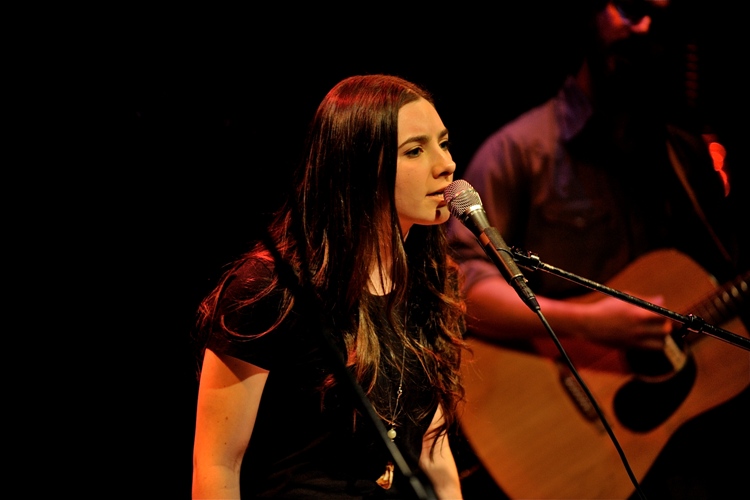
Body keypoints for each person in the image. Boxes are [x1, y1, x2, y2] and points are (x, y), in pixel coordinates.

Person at [447, 1, 749, 499]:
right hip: (555, 421)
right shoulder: (519, 151)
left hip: (689, 446)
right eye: (630, 7)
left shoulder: (681, 152)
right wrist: (589, 322)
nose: (646, 26)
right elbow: (461, 285)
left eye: (660, 14)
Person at [191, 74, 468, 499]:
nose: (445, 163)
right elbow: (217, 463)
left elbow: (433, 447)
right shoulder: (269, 291)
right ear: (359, 169)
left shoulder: (429, 280)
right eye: (415, 150)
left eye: (443, 143)